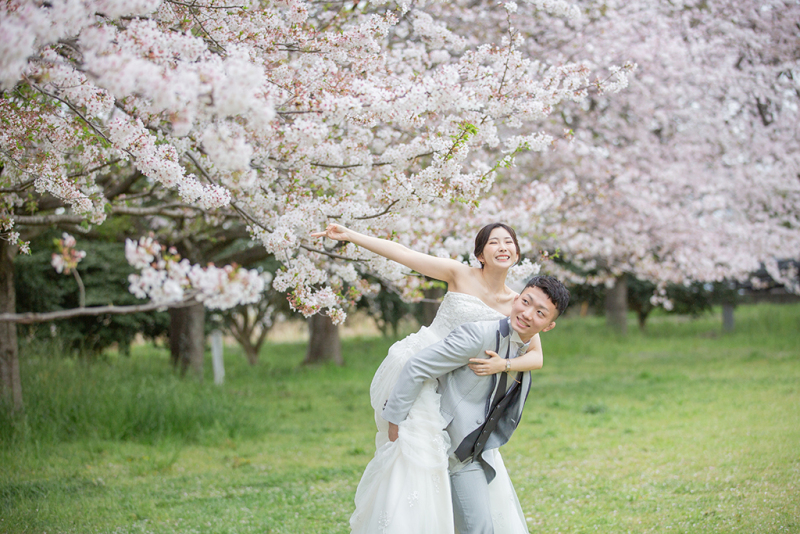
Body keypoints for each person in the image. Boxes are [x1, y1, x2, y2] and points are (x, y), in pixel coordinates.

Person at [310, 222, 546, 533]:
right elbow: (404, 254)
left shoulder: (518, 303)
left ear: (515, 253)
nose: (502, 247)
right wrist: (351, 235)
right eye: (493, 242)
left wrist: (504, 364)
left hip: (460, 387)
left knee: (460, 458)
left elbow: (536, 356)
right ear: (480, 254)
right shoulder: (459, 274)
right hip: (420, 375)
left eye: (508, 242)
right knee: (417, 460)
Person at [382, 276, 569, 534]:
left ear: (548, 326)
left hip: (471, 451)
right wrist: (395, 424)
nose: (527, 314)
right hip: (443, 444)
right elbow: (416, 366)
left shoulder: (521, 351)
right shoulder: (479, 335)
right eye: (525, 302)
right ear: (516, 299)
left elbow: (534, 362)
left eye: (540, 313)